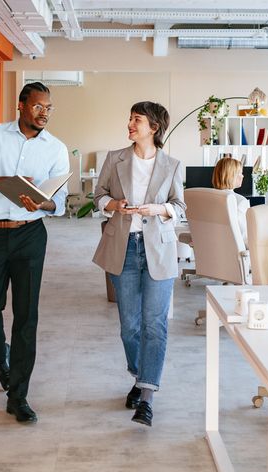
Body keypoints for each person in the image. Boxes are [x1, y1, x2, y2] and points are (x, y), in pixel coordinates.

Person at [0, 81, 70, 424]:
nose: (44, 113)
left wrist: (43, 200)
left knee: (26, 316)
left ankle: (18, 395)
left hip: (30, 236)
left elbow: (60, 204)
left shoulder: (56, 148)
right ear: (21, 105)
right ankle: (0, 354)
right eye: (38, 107)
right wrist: (2, 181)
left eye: (49, 108)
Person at [92, 101, 186, 427]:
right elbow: (98, 197)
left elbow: (179, 206)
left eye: (137, 120)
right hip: (125, 249)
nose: (130, 124)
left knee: (154, 325)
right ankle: (139, 375)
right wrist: (114, 204)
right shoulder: (114, 158)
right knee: (130, 326)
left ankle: (146, 398)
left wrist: (158, 210)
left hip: (158, 250)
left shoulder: (172, 165)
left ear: (153, 128)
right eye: (130, 118)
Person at [211, 157, 250, 242]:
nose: (243, 176)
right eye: (240, 173)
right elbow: (244, 238)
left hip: (208, 251)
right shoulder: (240, 201)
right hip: (233, 252)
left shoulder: (206, 197)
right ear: (231, 175)